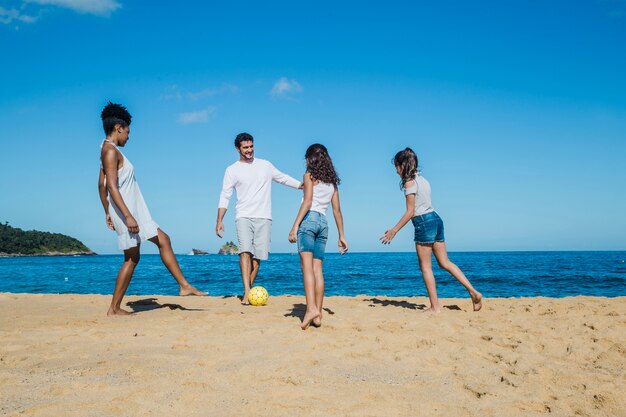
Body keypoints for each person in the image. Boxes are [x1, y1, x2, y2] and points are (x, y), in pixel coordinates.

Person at [98, 102, 206, 316]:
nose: (128, 136)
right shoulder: (110, 151)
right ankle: (114, 308)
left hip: (129, 211)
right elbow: (109, 185)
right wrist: (126, 216)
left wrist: (108, 212)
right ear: (119, 128)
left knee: (160, 241)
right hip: (129, 212)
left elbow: (100, 186)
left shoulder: (107, 149)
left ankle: (183, 286)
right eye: (128, 131)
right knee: (133, 257)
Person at [380, 147, 482, 314]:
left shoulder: (409, 182)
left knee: (426, 267)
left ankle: (435, 307)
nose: (396, 171)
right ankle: (474, 292)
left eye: (397, 167)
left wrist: (394, 230)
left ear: (402, 165)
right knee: (445, 263)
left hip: (423, 222)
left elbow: (410, 211)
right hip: (436, 219)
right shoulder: (423, 180)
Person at [216, 133, 302, 304]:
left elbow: (283, 178)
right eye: (245, 147)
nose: (249, 150)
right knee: (245, 251)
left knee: (258, 257)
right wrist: (219, 220)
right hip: (243, 215)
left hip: (264, 216)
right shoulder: (231, 170)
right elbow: (225, 195)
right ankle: (247, 291)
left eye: (251, 146)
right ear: (238, 149)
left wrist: (301, 185)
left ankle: (248, 289)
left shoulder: (265, 165)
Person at [288, 144, 348, 329]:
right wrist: (342, 236)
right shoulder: (332, 182)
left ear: (309, 159)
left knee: (306, 269)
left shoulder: (309, 176)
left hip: (309, 220)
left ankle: (311, 309)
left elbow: (307, 202)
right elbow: (337, 211)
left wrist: (295, 225)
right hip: (324, 223)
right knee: (317, 269)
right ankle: (318, 315)